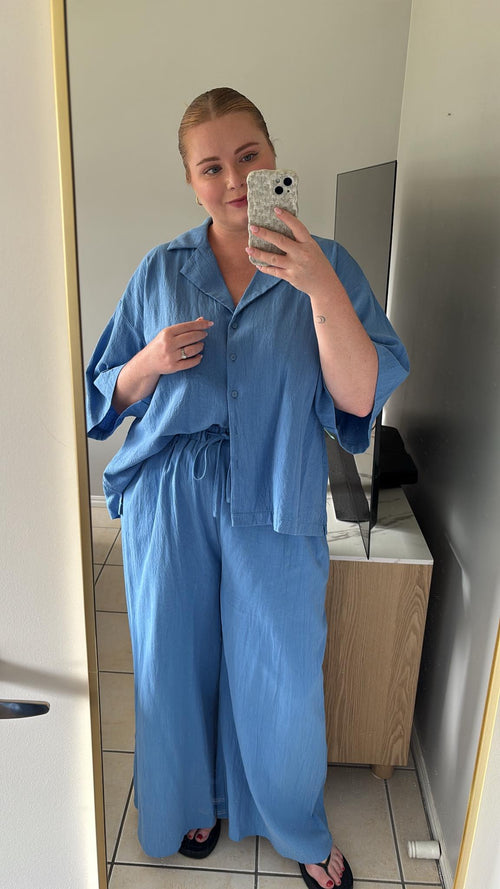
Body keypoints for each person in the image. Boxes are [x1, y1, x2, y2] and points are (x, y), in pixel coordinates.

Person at [86, 87, 409, 889]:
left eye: (248, 156)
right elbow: (101, 395)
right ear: (190, 180)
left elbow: (360, 396)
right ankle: (191, 799)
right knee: (173, 659)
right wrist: (148, 360)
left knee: (281, 669)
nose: (233, 179)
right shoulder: (161, 269)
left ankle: (296, 824)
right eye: (211, 167)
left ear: (273, 157)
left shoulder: (327, 263)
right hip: (171, 492)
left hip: (276, 482)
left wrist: (318, 285)